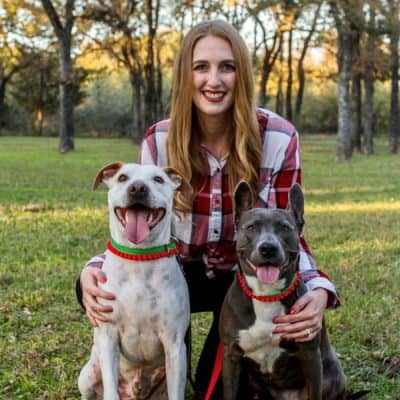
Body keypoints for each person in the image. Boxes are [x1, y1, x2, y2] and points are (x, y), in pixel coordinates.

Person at [76, 19, 340, 399]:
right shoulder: (161, 139)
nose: (213, 80)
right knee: (93, 287)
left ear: (242, 75)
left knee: (211, 395)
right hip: (177, 273)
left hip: (242, 280)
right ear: (186, 74)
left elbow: (286, 231)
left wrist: (316, 290)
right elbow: (142, 231)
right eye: (201, 67)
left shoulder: (279, 137)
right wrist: (91, 271)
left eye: (227, 67)